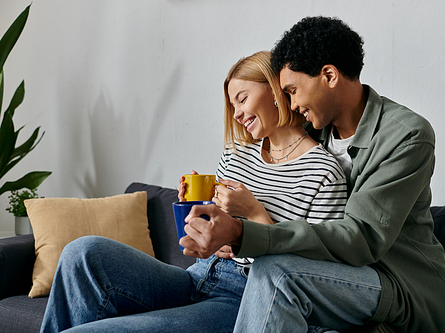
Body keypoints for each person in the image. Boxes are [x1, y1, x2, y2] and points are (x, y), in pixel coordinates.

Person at [180, 17, 445, 332]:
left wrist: (242, 235)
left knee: (277, 273)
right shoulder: (312, 135)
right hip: (327, 279)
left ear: (328, 75)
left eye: (292, 91)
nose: (290, 104)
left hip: (398, 284)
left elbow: (361, 238)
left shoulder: (406, 135)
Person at [39, 51, 347, 332]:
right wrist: (194, 207)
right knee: (82, 252)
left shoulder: (323, 172)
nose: (237, 113)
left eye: (242, 99)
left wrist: (254, 213)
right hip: (198, 274)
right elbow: (203, 236)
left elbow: (311, 277)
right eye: (232, 105)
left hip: (245, 296)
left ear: (274, 90)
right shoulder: (237, 154)